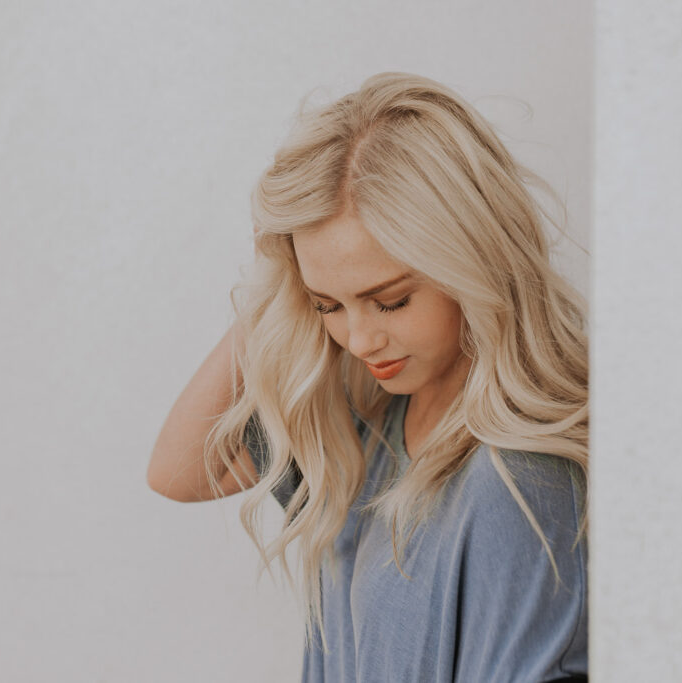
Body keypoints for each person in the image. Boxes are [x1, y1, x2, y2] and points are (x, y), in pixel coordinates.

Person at [147, 72, 589, 682]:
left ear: (475, 262)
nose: (359, 340)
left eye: (390, 301)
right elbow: (180, 471)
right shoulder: (365, 425)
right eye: (328, 305)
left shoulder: (521, 479)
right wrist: (279, 283)